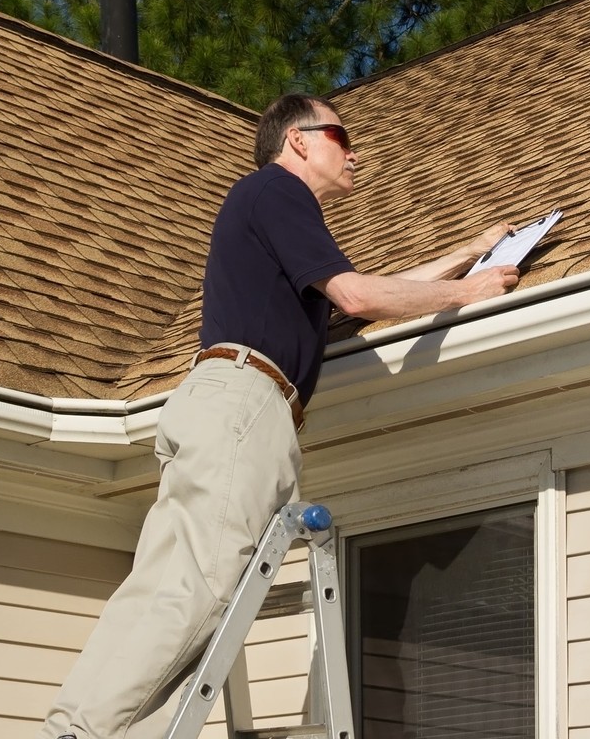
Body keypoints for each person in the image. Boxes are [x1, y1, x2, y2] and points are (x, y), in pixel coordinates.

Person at [40, 92, 520, 739]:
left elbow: (354, 298)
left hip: (228, 404)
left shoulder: (270, 218)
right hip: (245, 404)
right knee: (197, 589)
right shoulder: (276, 190)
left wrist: (471, 254)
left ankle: (93, 728)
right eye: (341, 136)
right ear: (297, 140)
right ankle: (77, 732)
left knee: (186, 593)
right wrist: (473, 291)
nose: (355, 152)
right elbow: (357, 293)